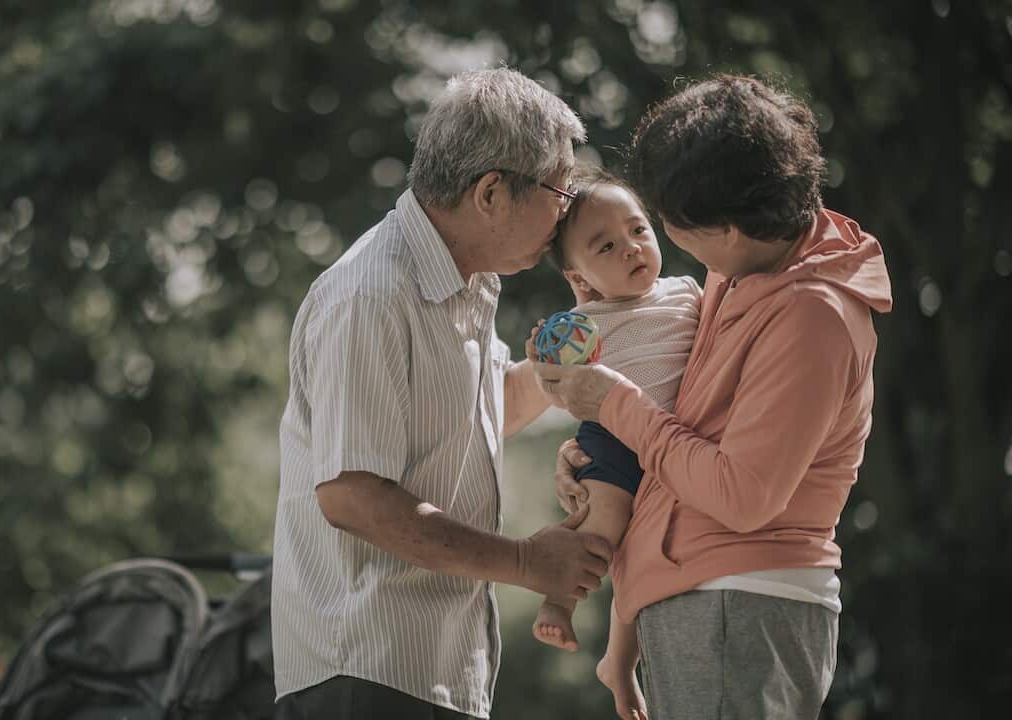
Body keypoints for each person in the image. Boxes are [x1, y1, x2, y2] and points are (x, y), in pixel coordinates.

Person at [534, 75, 893, 720]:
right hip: (706, 593)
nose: (661, 244)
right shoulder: (750, 267)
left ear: (727, 229)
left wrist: (614, 404)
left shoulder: (812, 315)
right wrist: (598, 444)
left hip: (741, 597)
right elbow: (682, 423)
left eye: (666, 224)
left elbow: (742, 495)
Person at [272, 67, 613, 720]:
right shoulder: (370, 296)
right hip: (364, 678)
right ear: (491, 193)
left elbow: (492, 412)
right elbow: (351, 496)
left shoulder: (464, 282)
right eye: (561, 189)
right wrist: (525, 562)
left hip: (436, 677)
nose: (568, 207)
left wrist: (595, 326)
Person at [525, 167, 699, 720]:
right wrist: (543, 359)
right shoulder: (584, 323)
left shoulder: (689, 293)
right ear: (580, 276)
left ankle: (619, 662)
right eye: (607, 245)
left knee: (643, 540)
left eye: (638, 230)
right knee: (608, 521)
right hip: (616, 435)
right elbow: (561, 392)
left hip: (673, 431)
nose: (631, 249)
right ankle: (563, 596)